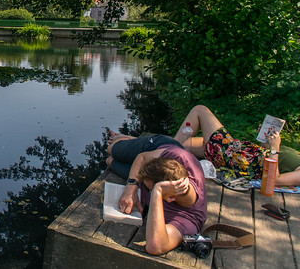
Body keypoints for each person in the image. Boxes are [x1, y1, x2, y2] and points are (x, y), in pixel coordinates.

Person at [106, 133, 207, 255]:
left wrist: (157, 192)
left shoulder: (188, 221)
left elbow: (155, 246)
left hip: (153, 172)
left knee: (110, 161)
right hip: (158, 146)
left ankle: (132, 141)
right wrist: (131, 187)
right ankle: (131, 139)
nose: (149, 191)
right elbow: (142, 158)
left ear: (170, 197)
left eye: (150, 189)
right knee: (111, 149)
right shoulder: (177, 158)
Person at [172, 105, 300, 186]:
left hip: (237, 160)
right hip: (239, 152)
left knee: (200, 110)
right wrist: (267, 142)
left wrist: (274, 148)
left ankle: (167, 151)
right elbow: (269, 156)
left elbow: (274, 181)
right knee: (183, 144)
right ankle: (165, 151)